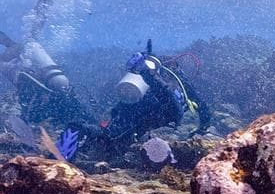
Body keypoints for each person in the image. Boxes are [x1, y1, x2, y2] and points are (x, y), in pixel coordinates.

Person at [58, 39, 210, 162]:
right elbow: (190, 108)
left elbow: (124, 104)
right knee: (111, 138)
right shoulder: (177, 78)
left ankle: (76, 138)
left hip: (138, 112)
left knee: (110, 137)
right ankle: (78, 135)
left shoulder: (159, 82)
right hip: (153, 116)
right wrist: (201, 130)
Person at [0, 0, 93, 127]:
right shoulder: (26, 54)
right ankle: (44, 5)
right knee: (30, 40)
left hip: (40, 87)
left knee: (29, 41)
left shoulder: (11, 62)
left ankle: (43, 5)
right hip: (51, 87)